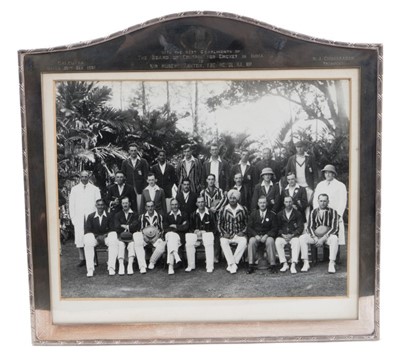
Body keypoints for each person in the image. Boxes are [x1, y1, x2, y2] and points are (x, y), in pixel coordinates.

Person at [299, 194, 340, 273]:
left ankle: (331, 263)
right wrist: (314, 237)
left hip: (327, 237)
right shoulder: (313, 212)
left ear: (328, 201)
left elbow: (335, 228)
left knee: (335, 238)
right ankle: (306, 262)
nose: (323, 203)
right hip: (316, 236)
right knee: (302, 238)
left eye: (325, 201)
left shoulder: (333, 212)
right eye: (321, 201)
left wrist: (323, 238)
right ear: (318, 201)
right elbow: (309, 227)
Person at [68, 171, 101, 267]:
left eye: (86, 176)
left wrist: (97, 216)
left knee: (91, 237)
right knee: (79, 238)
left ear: (89, 177)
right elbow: (71, 204)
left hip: (91, 216)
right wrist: (73, 217)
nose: (84, 178)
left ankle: (93, 259)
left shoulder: (95, 189)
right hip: (78, 217)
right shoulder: (74, 189)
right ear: (80, 177)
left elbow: (99, 204)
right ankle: (82, 259)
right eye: (82, 177)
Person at [82, 199, 119, 277]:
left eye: (102, 205)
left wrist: (105, 235)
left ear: (104, 206)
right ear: (96, 206)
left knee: (113, 236)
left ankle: (111, 267)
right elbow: (87, 230)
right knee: (87, 239)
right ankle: (90, 269)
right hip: (95, 238)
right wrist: (96, 236)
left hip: (106, 237)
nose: (100, 207)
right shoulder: (91, 216)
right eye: (99, 205)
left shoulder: (110, 215)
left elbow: (113, 228)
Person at [313, 164, 347, 245]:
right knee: (323, 234)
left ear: (334, 174)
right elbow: (315, 200)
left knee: (335, 237)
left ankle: (335, 257)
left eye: (330, 173)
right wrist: (317, 212)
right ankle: (324, 257)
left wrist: (338, 215)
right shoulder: (320, 185)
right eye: (325, 173)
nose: (327, 175)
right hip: (322, 214)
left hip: (334, 215)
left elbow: (343, 201)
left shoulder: (340, 185)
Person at [285, 141, 319, 217]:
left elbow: (315, 173)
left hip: (308, 186)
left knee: (308, 206)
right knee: (297, 206)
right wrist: (287, 186)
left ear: (304, 147)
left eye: (301, 147)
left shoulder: (310, 158)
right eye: (297, 147)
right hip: (296, 186)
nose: (299, 149)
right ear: (295, 148)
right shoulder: (292, 159)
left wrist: (315, 186)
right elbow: (287, 173)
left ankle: (308, 224)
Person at [218, 189, 248, 274]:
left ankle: (232, 264)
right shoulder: (223, 209)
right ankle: (233, 264)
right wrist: (224, 233)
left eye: (234, 198)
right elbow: (219, 224)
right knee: (223, 241)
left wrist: (243, 232)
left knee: (244, 241)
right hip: (227, 234)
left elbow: (247, 223)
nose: (232, 200)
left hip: (239, 234)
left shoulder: (243, 209)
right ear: (228, 199)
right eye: (230, 198)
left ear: (237, 199)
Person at [246, 196, 278, 274]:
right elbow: (249, 228)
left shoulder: (272, 214)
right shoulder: (253, 214)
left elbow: (274, 228)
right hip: (256, 236)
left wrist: (267, 235)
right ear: (258, 204)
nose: (262, 204)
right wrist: (255, 235)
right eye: (261, 203)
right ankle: (251, 265)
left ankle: (272, 265)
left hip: (266, 236)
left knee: (270, 241)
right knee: (251, 241)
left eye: (264, 202)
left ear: (266, 203)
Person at [185, 196, 217, 273]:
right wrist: (195, 231)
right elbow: (190, 228)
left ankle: (209, 266)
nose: (201, 204)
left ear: (205, 203)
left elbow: (215, 228)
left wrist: (205, 231)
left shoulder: (210, 214)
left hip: (207, 235)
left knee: (208, 237)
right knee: (189, 240)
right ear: (196, 204)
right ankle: (190, 265)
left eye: (202, 202)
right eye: (199, 202)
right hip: (196, 236)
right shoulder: (193, 214)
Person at [133, 201, 166, 274]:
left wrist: (156, 237)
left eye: (152, 206)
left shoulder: (159, 216)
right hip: (145, 238)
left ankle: (152, 261)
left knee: (163, 245)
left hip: (156, 238)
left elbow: (161, 230)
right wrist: (144, 237)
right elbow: (140, 229)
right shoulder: (142, 217)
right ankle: (142, 266)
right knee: (138, 243)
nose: (150, 208)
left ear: (154, 207)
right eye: (148, 206)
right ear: (145, 207)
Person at [275, 196, 303, 274]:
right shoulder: (280, 214)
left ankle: (293, 264)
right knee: (277, 241)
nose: (288, 204)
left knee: (297, 242)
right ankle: (284, 263)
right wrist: (282, 234)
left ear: (292, 202)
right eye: (286, 202)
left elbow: (300, 227)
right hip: (283, 236)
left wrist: (293, 234)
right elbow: (277, 227)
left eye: (290, 202)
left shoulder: (297, 213)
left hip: (293, 236)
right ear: (284, 203)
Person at [113, 196, 139, 275]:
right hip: (121, 236)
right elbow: (116, 226)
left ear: (129, 204)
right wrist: (126, 226)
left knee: (131, 244)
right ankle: (121, 265)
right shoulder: (117, 214)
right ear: (121, 204)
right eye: (123, 203)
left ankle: (130, 265)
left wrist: (126, 226)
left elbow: (135, 225)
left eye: (126, 203)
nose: (125, 205)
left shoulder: (134, 214)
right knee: (120, 244)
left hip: (131, 237)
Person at [121, 143, 149, 212]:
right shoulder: (125, 162)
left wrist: (144, 187)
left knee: (141, 207)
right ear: (129, 151)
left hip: (140, 188)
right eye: (132, 150)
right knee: (132, 207)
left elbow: (146, 175)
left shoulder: (143, 161)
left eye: (135, 150)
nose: (133, 152)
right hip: (129, 188)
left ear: (137, 151)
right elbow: (123, 175)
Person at [164, 199, 188, 275]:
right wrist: (180, 227)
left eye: (176, 204)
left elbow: (186, 227)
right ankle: (176, 256)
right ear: (170, 206)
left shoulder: (184, 214)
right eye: (173, 204)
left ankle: (170, 266)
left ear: (179, 205)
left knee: (171, 238)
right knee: (171, 236)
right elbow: (165, 228)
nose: (174, 206)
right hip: (169, 235)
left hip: (179, 237)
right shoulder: (167, 215)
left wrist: (175, 226)